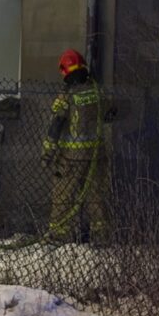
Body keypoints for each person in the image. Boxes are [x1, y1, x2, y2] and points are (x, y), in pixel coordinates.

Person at [41, 48, 111, 244]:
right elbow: (109, 113)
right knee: (96, 196)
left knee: (63, 194)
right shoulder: (97, 92)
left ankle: (58, 235)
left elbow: (56, 124)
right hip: (97, 155)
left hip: (71, 157)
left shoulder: (67, 96)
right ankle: (101, 236)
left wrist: (48, 151)